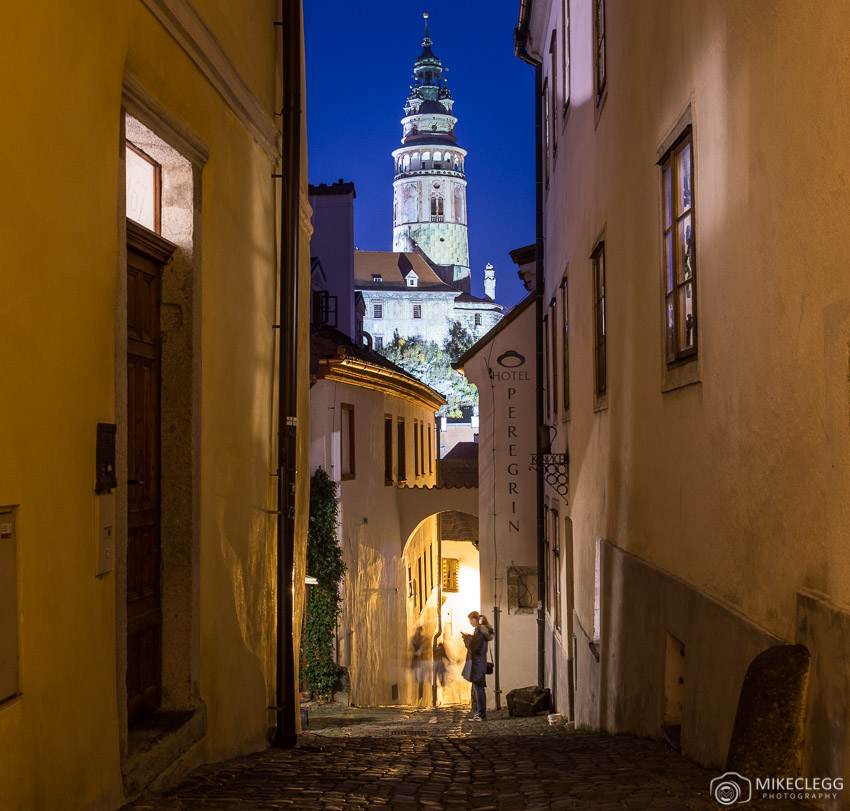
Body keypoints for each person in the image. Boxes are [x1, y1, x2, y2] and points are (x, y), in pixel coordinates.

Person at [461, 611, 494, 721]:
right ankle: (481, 713)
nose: (470, 622)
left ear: (475, 619)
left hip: (477, 663)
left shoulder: (479, 632)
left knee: (478, 688)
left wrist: (467, 640)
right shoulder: (481, 632)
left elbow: (474, 647)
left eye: (471, 620)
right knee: (479, 688)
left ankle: (480, 714)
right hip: (480, 662)